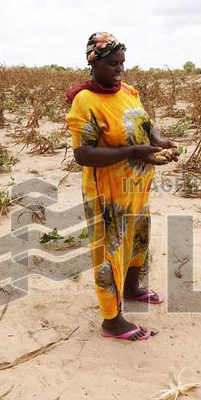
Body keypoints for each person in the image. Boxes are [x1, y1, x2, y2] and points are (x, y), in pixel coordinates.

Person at [65, 32, 177, 341]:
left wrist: (159, 142)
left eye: (122, 63)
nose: (119, 69)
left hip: (135, 188)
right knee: (110, 251)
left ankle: (131, 289)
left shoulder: (128, 91)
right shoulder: (85, 101)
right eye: (113, 64)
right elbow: (83, 154)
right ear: (94, 63)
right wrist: (133, 152)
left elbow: (145, 125)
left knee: (138, 240)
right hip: (108, 195)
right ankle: (111, 321)